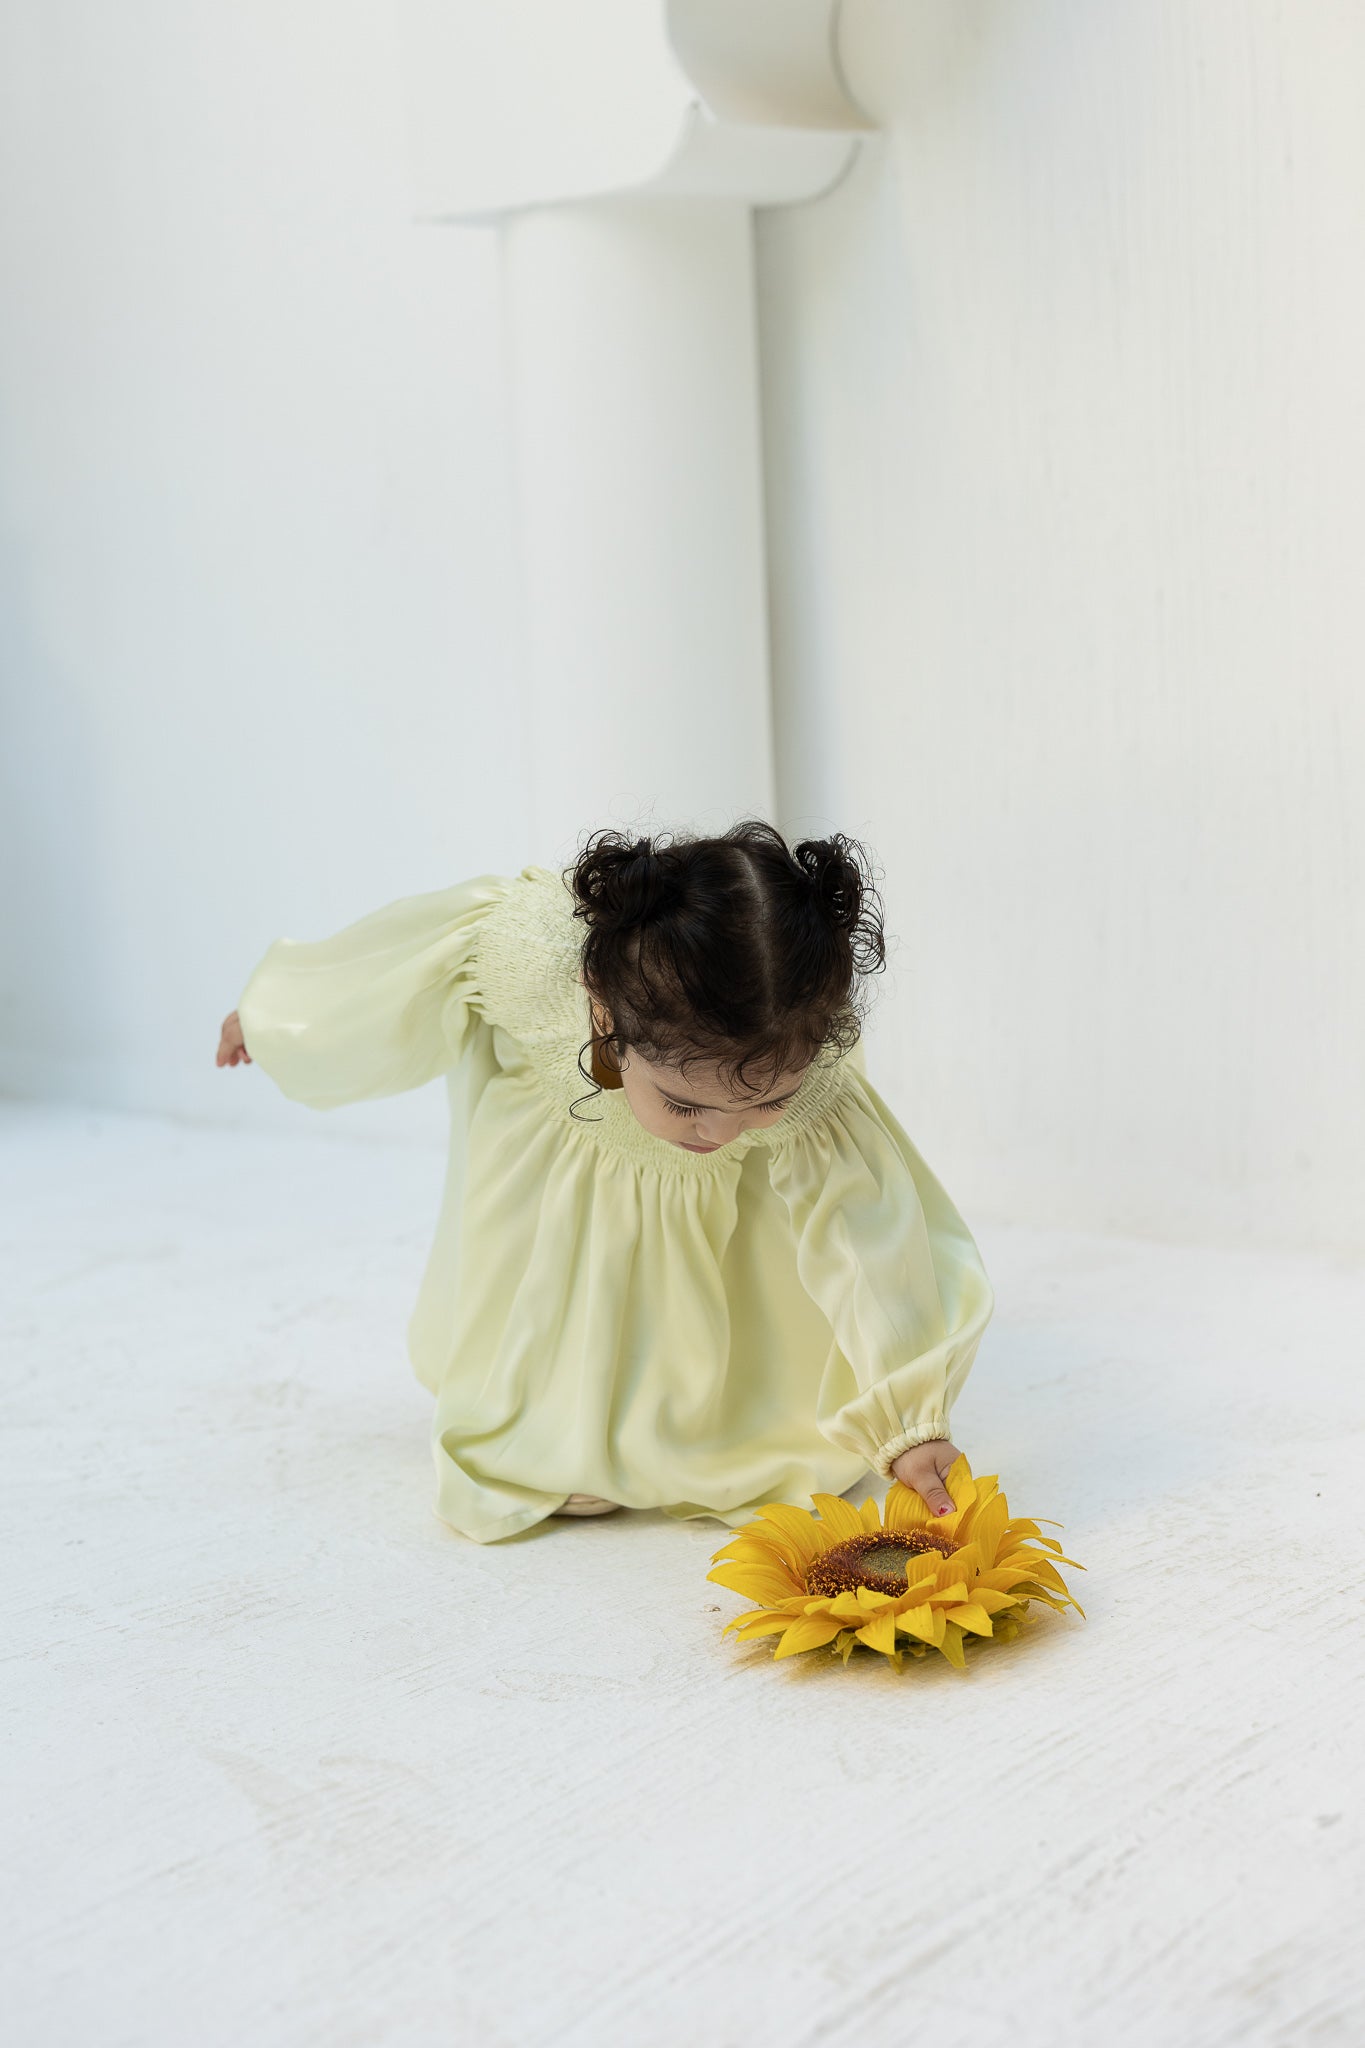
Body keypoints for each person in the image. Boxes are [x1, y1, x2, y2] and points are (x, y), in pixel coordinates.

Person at [216, 820, 993, 1543]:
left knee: (714, 1364)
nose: (719, 1134)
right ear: (600, 1004)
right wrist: (281, 1020)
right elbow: (386, 982)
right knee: (555, 1319)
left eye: (766, 1102)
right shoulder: (522, 958)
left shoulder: (812, 1084)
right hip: (552, 1227)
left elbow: (868, 1246)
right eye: (683, 1103)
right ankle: (557, 1439)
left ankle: (697, 1430)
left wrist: (907, 1422)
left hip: (726, 1259)